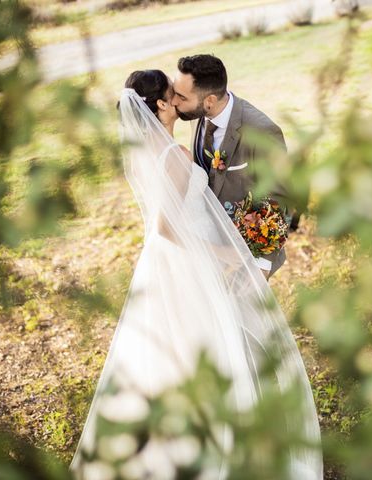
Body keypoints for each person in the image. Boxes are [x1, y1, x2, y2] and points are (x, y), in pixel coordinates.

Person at [69, 69, 323, 479]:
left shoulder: (149, 150)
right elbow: (167, 227)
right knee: (207, 344)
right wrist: (223, 251)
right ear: (162, 105)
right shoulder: (171, 155)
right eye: (173, 95)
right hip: (186, 260)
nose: (180, 102)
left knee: (178, 349)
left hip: (164, 262)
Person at [172, 54, 292, 280]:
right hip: (210, 245)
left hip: (246, 254)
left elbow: (281, 197)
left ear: (209, 100)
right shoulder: (199, 116)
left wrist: (262, 264)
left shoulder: (262, 131)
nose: (174, 102)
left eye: (181, 96)